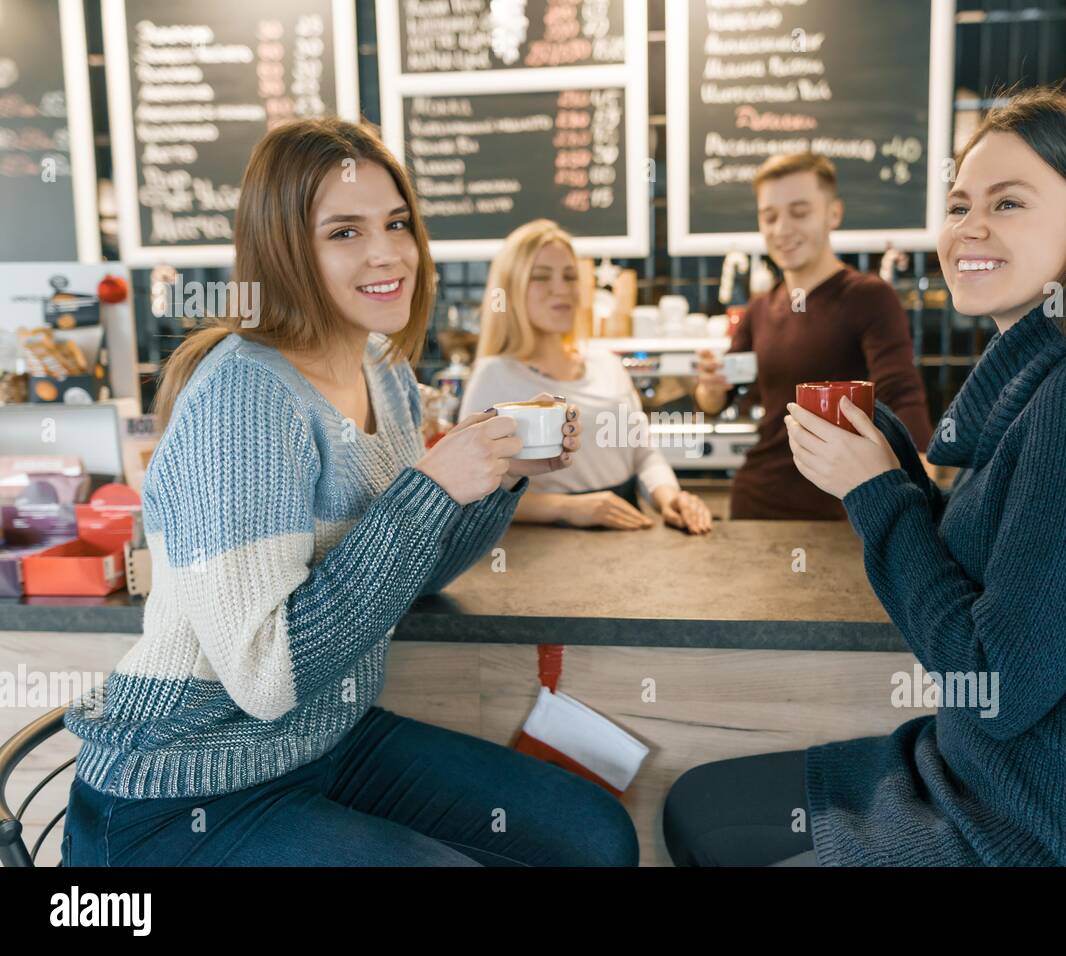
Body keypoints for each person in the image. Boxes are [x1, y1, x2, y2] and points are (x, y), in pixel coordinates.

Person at [663, 89, 1066, 866]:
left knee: (706, 824)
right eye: (959, 203)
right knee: (695, 809)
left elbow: (997, 684)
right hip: (994, 776)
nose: (969, 228)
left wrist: (875, 492)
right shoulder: (1057, 373)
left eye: (1008, 204)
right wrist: (893, 466)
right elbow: (1006, 569)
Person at [59, 118, 639, 867]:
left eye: (397, 223)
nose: (387, 252)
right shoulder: (246, 399)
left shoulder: (383, 370)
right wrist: (428, 488)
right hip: (183, 789)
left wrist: (498, 475)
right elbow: (268, 675)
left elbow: (412, 575)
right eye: (344, 232)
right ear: (283, 249)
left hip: (324, 737)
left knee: (594, 836)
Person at [693, 151, 933, 520]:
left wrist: (920, 473)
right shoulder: (760, 308)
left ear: (833, 213)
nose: (781, 229)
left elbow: (901, 391)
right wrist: (709, 388)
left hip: (842, 506)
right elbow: (719, 398)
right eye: (769, 216)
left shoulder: (868, 297)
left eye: (799, 212)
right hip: (757, 501)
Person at [459, 219, 712, 534]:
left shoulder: (606, 363)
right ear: (510, 289)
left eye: (569, 276)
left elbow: (642, 453)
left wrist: (669, 497)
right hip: (546, 543)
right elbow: (470, 490)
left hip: (626, 527)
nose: (560, 289)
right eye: (541, 277)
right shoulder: (495, 375)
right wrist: (568, 507)